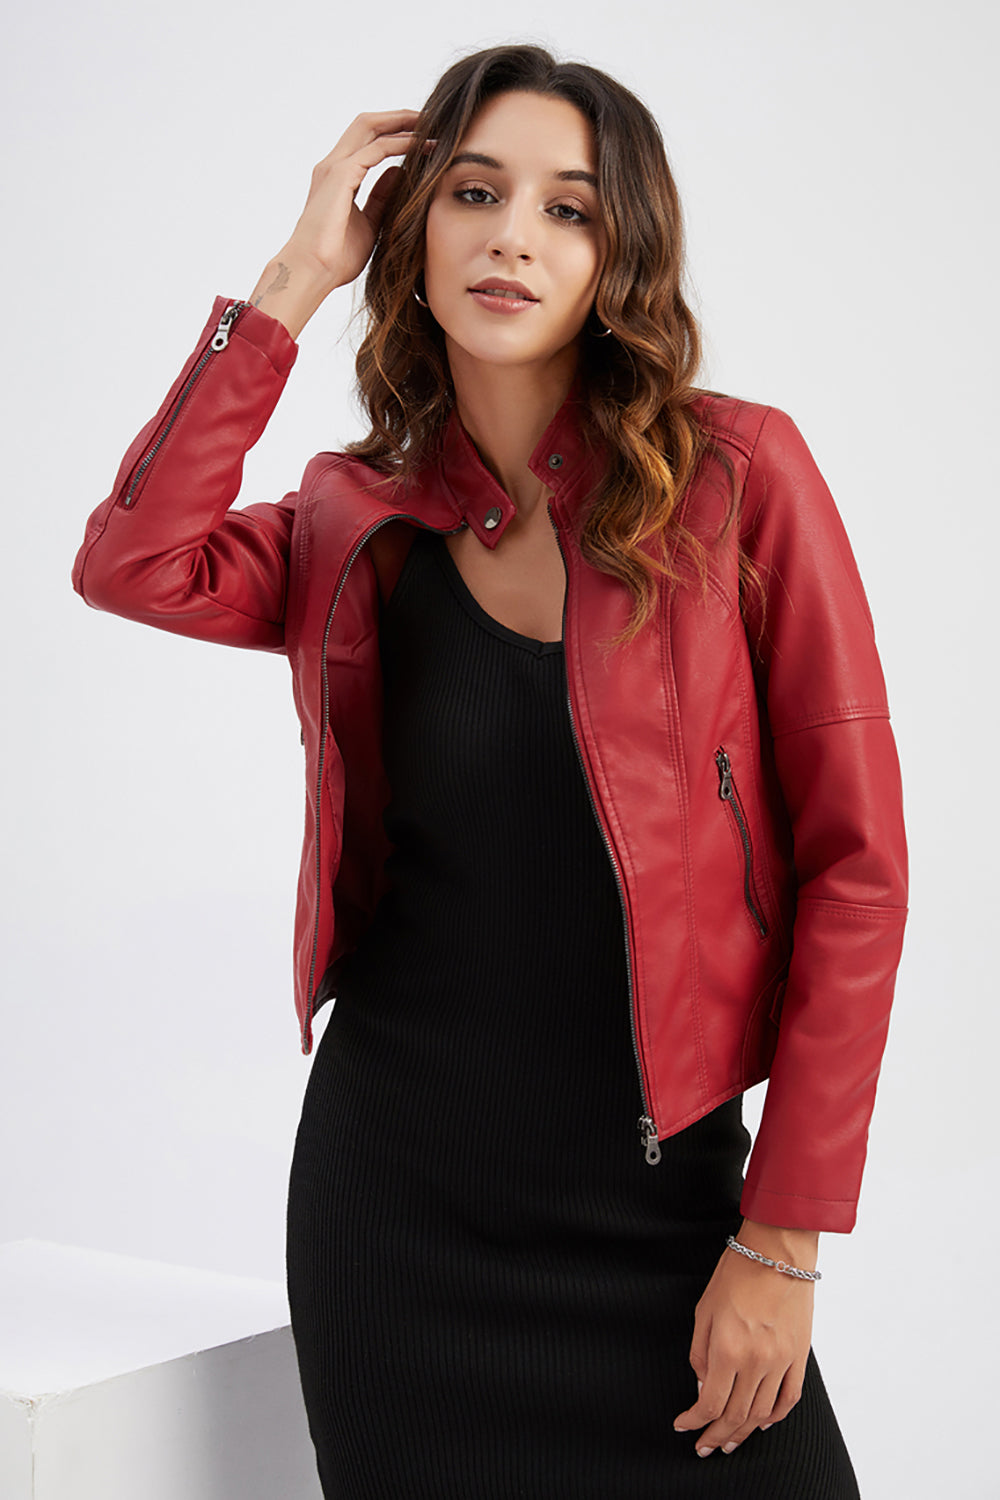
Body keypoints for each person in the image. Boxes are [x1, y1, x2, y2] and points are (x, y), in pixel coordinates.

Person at [72, 43, 907, 1500]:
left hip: (670, 1216)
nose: (513, 235)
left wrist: (784, 1240)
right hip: (399, 1226)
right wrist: (291, 282)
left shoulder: (738, 480)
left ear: (617, 256)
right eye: (472, 192)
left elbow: (860, 873)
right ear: (411, 227)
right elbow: (134, 562)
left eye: (567, 208)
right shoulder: (356, 521)